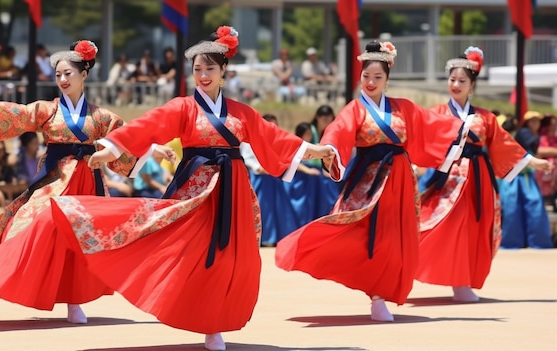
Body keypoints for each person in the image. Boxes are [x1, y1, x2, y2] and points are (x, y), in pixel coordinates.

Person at [45, 26, 332, 350]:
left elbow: (274, 138)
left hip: (233, 191)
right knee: (187, 252)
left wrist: (314, 150)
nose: (203, 75)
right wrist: (112, 149)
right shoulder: (184, 107)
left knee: (231, 259)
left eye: (210, 68)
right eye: (198, 69)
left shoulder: (241, 113)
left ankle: (214, 324)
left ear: (224, 71)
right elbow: (148, 126)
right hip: (196, 192)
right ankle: (200, 317)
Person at [0, 40, 143, 324]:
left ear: (84, 74)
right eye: (58, 74)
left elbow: (127, 140)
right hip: (56, 180)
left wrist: (153, 150)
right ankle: (9, 269)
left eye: (68, 73)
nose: (62, 79)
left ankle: (74, 301)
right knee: (36, 223)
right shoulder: (47, 110)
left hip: (88, 182)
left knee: (79, 242)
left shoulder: (103, 117)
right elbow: (15, 113)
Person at [275, 40, 465, 322]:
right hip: (369, 180)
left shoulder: (404, 108)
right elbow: (338, 131)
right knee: (365, 235)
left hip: (400, 180)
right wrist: (329, 150)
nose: (371, 82)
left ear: (387, 79)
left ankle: (382, 293)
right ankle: (376, 296)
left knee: (394, 238)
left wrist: (462, 128)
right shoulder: (355, 109)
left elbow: (431, 126)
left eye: (377, 77)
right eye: (366, 76)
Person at [416, 47, 553, 303]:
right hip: (448, 179)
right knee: (441, 226)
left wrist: (534, 162)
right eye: (452, 79)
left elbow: (505, 144)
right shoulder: (436, 113)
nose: (455, 84)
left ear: (472, 86)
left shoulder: (485, 117)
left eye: (462, 81)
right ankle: (413, 265)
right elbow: (419, 140)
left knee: (472, 229)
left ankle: (462, 282)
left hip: (478, 179)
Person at [498, 111, 554, 249]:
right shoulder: (524, 132)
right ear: (527, 123)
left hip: (528, 176)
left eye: (537, 121)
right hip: (516, 176)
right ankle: (512, 242)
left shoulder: (536, 135)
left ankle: (537, 241)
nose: (536, 123)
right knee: (513, 207)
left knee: (534, 206)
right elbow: (539, 150)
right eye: (532, 121)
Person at [242, 114, 299, 247]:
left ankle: (276, 237)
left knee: (278, 208)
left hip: (275, 177)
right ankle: (260, 237)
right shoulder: (251, 139)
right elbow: (247, 156)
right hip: (260, 178)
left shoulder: (277, 140)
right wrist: (258, 168)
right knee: (260, 208)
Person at [534, 114, 557, 212]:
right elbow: (539, 151)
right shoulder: (540, 137)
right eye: (551, 125)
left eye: (555, 125)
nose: (553, 128)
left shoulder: (555, 137)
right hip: (542, 173)